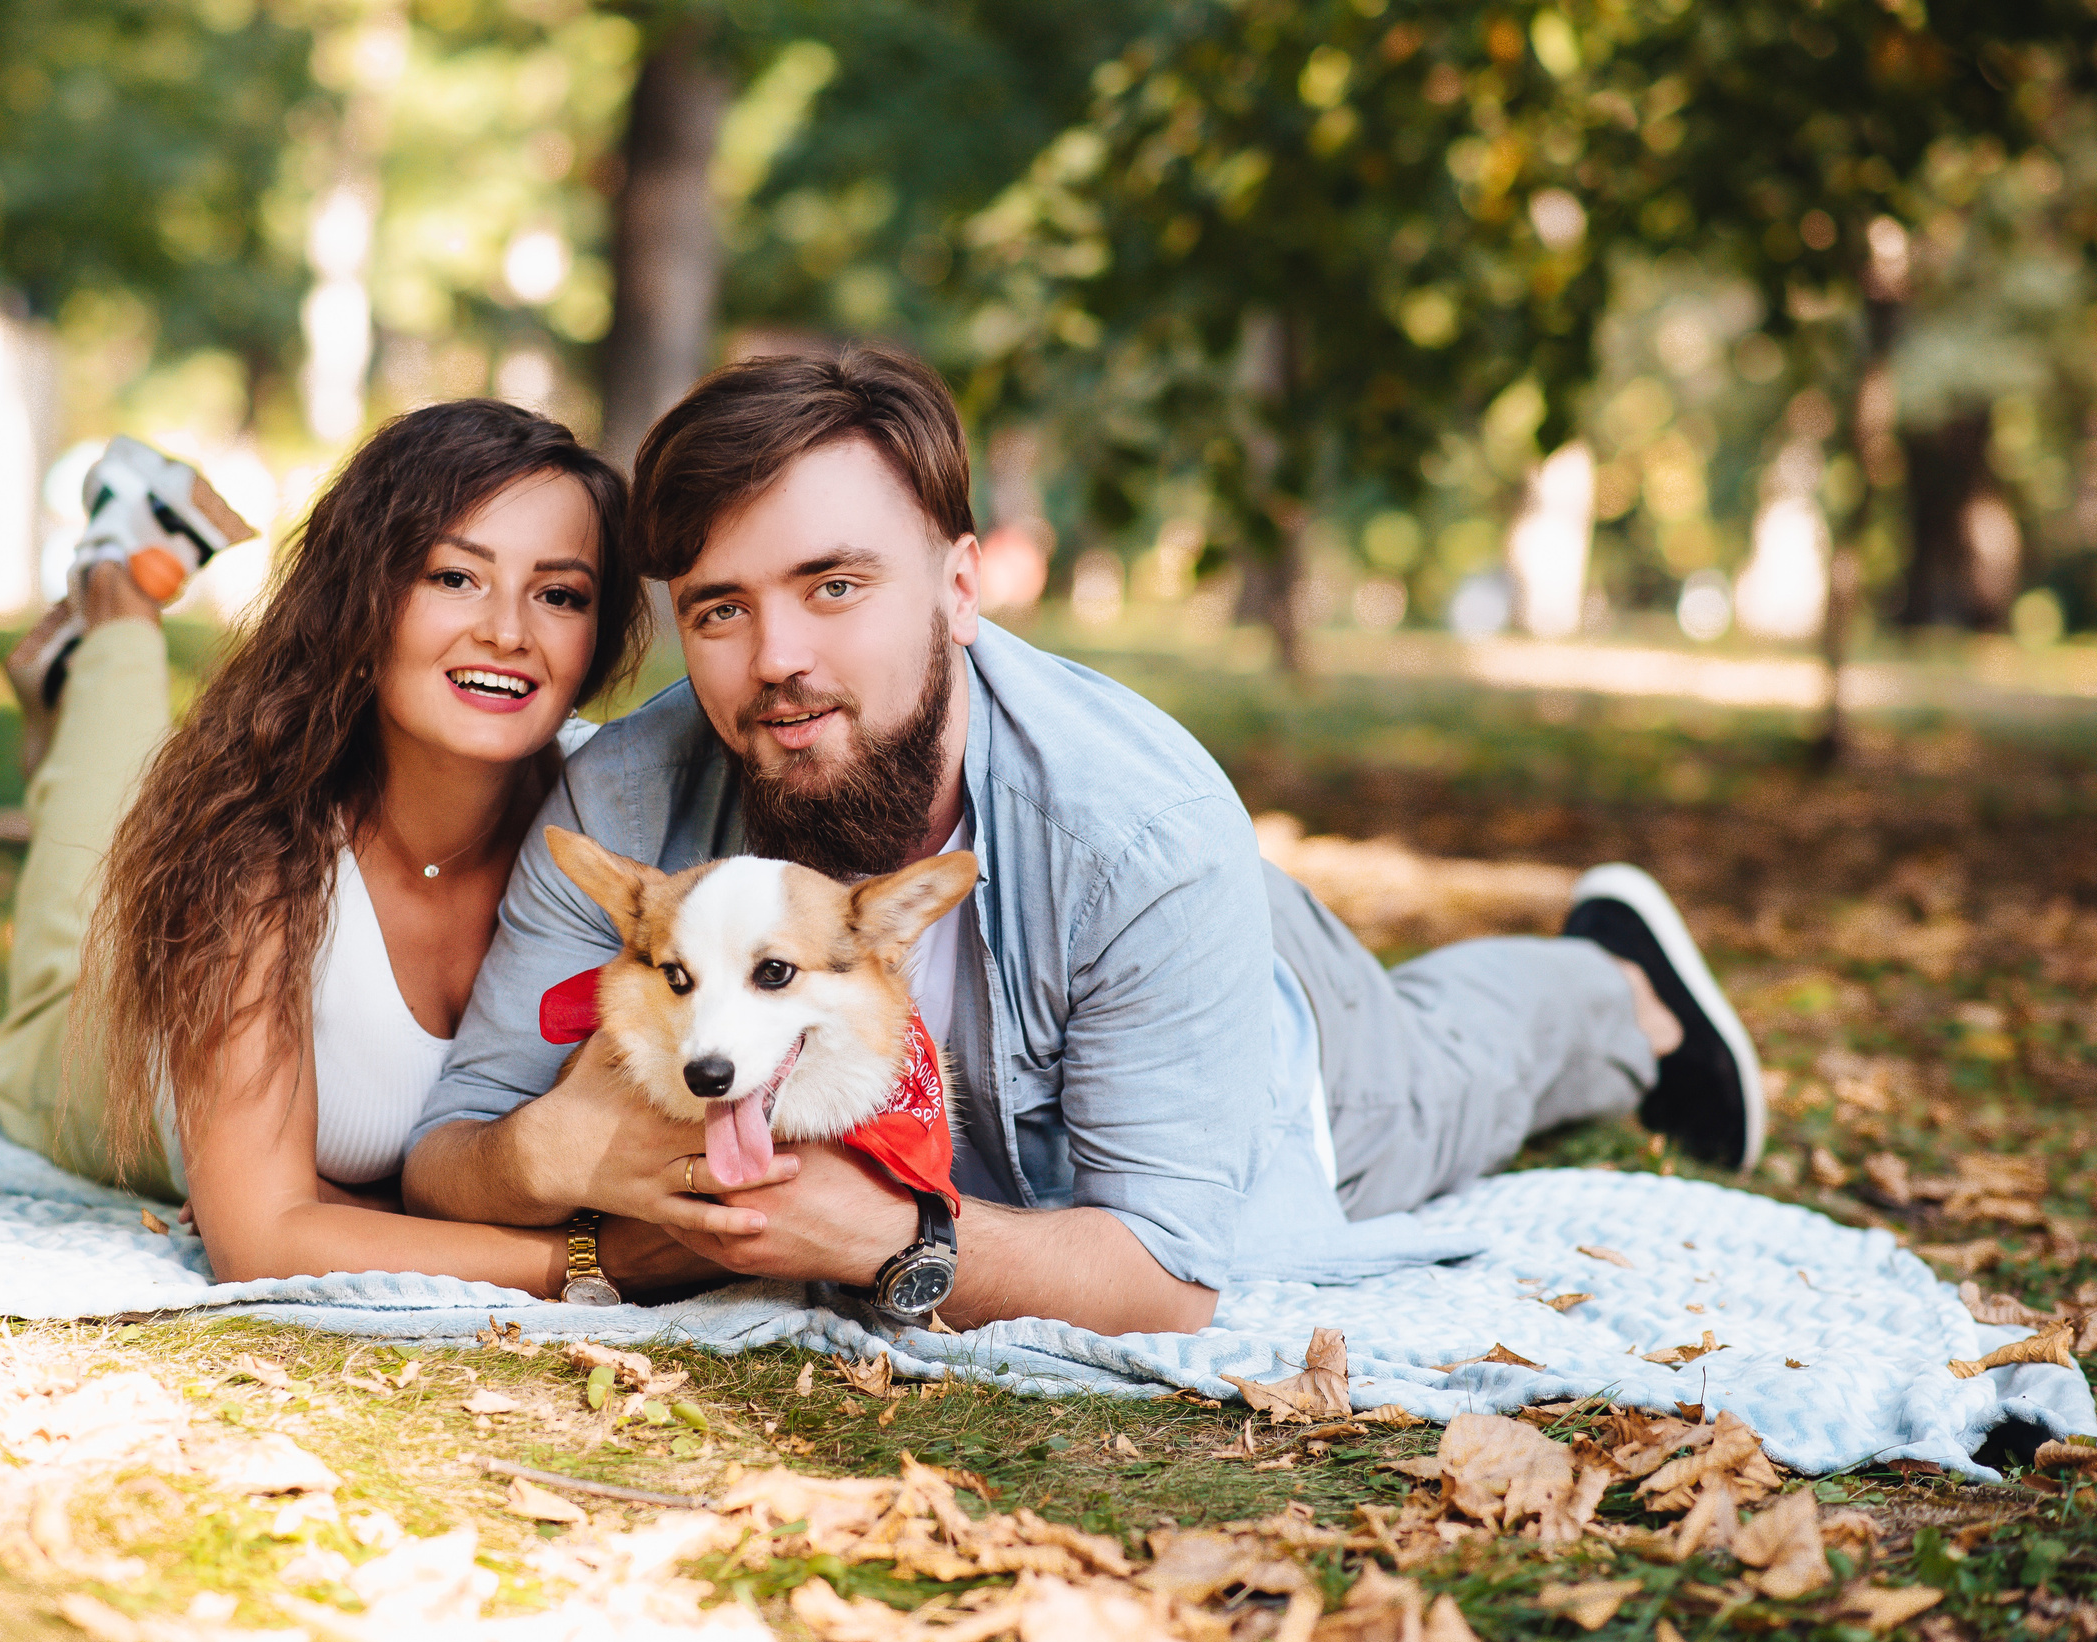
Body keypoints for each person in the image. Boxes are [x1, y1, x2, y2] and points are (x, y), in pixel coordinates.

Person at [398, 348, 1763, 1336]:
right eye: (720, 610)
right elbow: (451, 1149)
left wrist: (878, 1238)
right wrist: (546, 1164)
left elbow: (1169, 1279)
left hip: (1273, 1034)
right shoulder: (623, 810)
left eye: (837, 586)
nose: (781, 661)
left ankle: (1621, 983)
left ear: (961, 587)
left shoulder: (1141, 837)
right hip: (1125, 921)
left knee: (1451, 1075)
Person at [0, 403, 705, 1293]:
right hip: (83, 1063)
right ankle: (115, 596)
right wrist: (596, 1261)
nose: (509, 632)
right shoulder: (256, 852)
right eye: (454, 578)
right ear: (362, 597)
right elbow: (267, 1244)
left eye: (559, 595)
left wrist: (363, 1216)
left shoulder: (625, 823)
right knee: (87, 863)